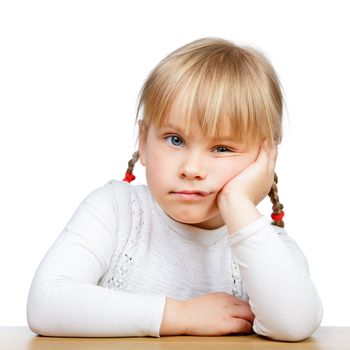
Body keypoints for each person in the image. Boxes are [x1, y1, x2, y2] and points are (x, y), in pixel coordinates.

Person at [26, 37, 323, 341]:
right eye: (175, 140)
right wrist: (180, 315)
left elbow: (294, 324)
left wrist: (237, 203)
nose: (192, 169)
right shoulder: (115, 211)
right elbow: (46, 303)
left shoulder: (263, 243)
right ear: (143, 140)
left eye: (221, 148)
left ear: (264, 158)